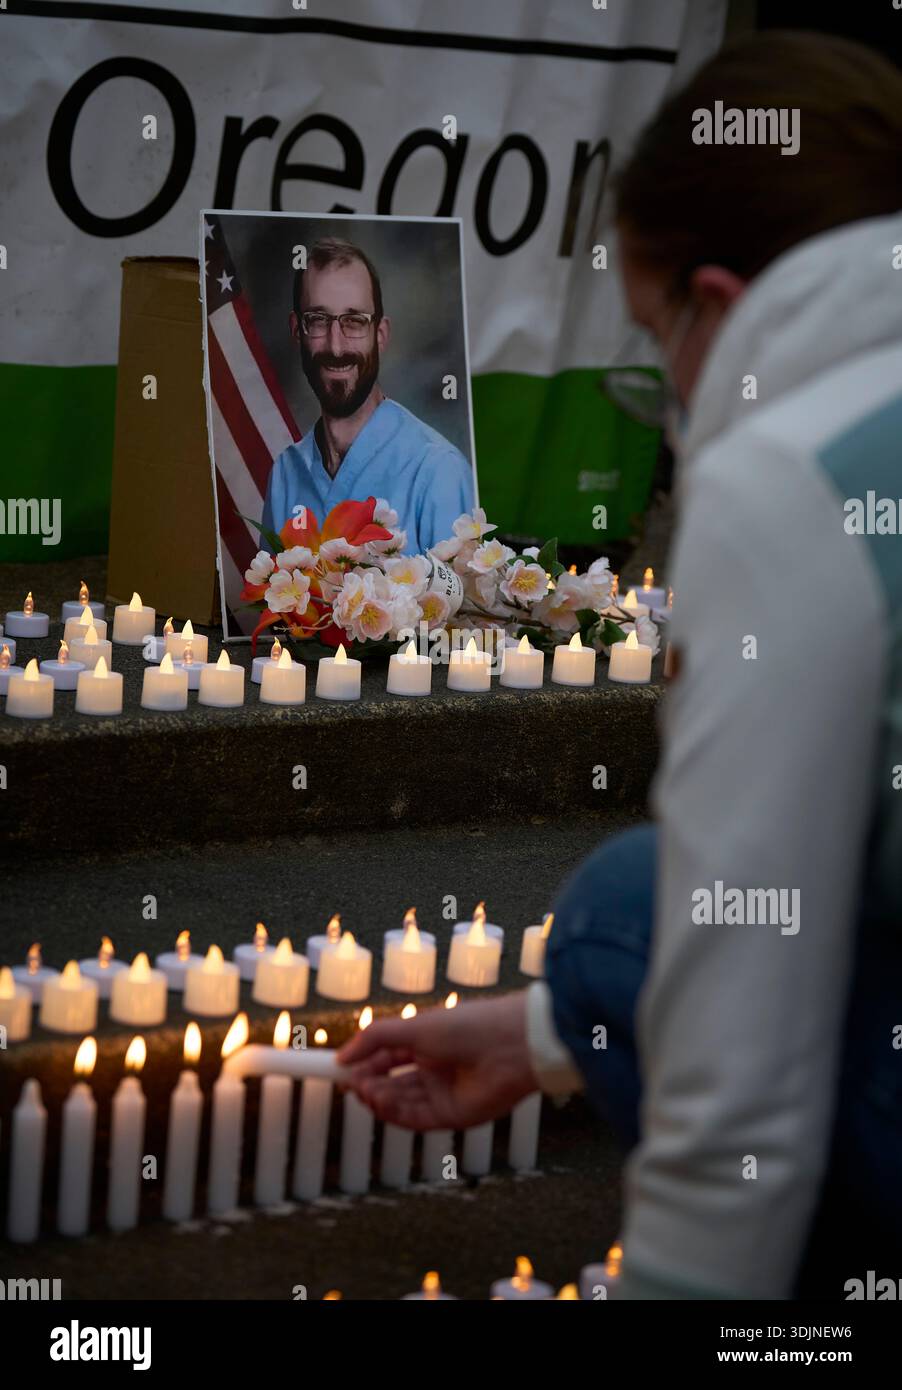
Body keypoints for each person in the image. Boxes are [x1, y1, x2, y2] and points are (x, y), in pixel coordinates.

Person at [339, 32, 902, 1299]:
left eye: (657, 345)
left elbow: (738, 1039)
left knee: (620, 913)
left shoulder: (793, 481)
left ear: (716, 301)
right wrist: (551, 1038)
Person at [262, 236, 475, 552]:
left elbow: (462, 601)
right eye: (318, 320)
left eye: (354, 321)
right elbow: (268, 600)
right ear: (297, 331)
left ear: (381, 334)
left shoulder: (438, 471)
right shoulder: (285, 474)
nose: (336, 346)